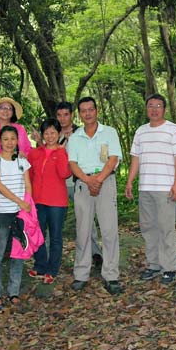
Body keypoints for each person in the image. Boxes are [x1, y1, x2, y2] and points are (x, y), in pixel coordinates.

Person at [126, 94, 176, 286]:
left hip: (165, 187)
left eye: (158, 106)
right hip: (145, 187)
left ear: (164, 109)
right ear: (146, 109)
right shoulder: (141, 131)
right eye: (151, 106)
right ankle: (153, 265)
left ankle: (169, 268)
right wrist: (130, 181)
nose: (154, 109)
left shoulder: (173, 130)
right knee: (148, 227)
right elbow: (136, 158)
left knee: (166, 228)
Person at [67, 97, 123, 295]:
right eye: (83, 111)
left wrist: (98, 180)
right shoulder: (75, 137)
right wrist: (88, 180)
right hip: (83, 184)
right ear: (79, 114)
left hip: (105, 183)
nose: (88, 114)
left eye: (91, 109)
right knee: (83, 231)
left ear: (96, 110)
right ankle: (81, 274)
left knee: (109, 230)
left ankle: (111, 275)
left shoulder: (109, 132)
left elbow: (113, 158)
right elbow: (72, 164)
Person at [0, 125, 32, 310]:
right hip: (1, 213)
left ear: (17, 141)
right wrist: (19, 201)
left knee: (18, 254)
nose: (9, 142)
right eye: (5, 139)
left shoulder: (22, 161)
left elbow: (28, 184)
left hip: (20, 213)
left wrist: (27, 205)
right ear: (0, 141)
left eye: (13, 139)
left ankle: (14, 291)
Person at [58, 100, 103, 269]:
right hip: (58, 184)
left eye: (66, 114)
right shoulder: (53, 133)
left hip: (79, 181)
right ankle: (52, 257)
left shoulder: (81, 132)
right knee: (54, 221)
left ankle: (96, 253)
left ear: (72, 115)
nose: (63, 118)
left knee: (87, 218)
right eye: (59, 115)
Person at [28, 118, 72, 284]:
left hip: (57, 202)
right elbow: (29, 176)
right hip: (38, 200)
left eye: (53, 132)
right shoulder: (35, 153)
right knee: (38, 234)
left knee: (55, 236)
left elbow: (64, 173)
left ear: (59, 133)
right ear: (42, 135)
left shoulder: (62, 153)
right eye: (46, 133)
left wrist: (60, 151)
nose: (50, 136)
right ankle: (40, 265)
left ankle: (52, 269)